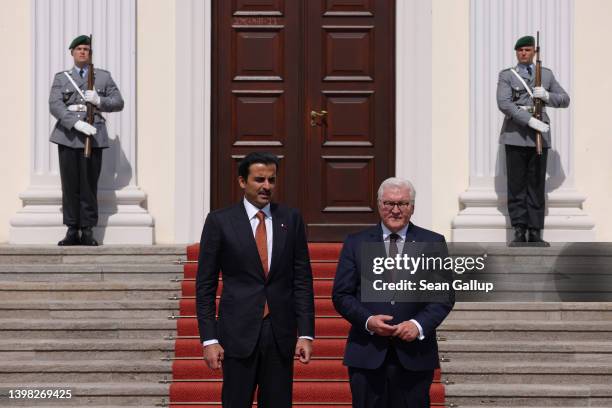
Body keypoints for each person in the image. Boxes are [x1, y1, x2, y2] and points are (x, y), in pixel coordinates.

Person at [195, 152, 315, 407]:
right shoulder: (220, 221)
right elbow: (205, 285)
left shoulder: (290, 219)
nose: (267, 186)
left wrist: (305, 333)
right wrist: (209, 339)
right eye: (259, 179)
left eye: (271, 180)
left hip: (280, 333)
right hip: (237, 334)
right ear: (242, 181)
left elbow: (302, 280)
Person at [332, 177, 454, 408]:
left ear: (412, 207)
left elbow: (443, 296)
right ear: (379, 205)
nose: (395, 210)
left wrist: (417, 325)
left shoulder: (432, 242)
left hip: (415, 356)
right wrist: (368, 320)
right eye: (389, 203)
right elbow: (342, 294)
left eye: (403, 204)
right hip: (367, 354)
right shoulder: (356, 242)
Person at [49, 34, 124, 246]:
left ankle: (88, 229)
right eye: (79, 49)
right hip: (69, 136)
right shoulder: (61, 78)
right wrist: (76, 123)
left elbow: (118, 102)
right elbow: (55, 105)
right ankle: (72, 229)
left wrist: (100, 100)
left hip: (94, 136)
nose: (83, 52)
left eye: (87, 49)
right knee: (70, 184)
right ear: (72, 52)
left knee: (89, 184)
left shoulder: (103, 77)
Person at [497, 35, 570, 246]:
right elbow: (504, 103)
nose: (523, 54)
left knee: (536, 184)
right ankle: (519, 229)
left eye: (527, 50)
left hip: (540, 137)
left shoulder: (546, 75)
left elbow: (564, 99)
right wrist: (529, 121)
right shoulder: (508, 76)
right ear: (516, 53)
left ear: (534, 52)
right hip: (516, 135)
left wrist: (547, 96)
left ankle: (535, 230)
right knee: (517, 184)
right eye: (520, 51)